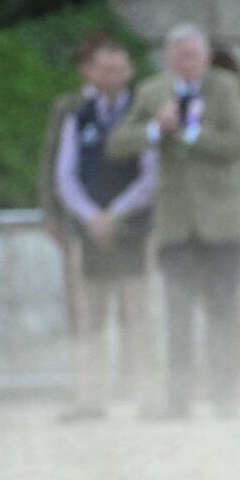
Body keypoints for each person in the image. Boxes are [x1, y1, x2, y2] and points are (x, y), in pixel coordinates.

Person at [110, 24, 240, 418]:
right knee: (177, 315)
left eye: (195, 55)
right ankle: (179, 399)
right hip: (175, 222)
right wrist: (157, 128)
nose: (188, 62)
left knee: (223, 311)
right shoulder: (152, 92)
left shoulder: (224, 88)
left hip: (222, 220)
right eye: (181, 55)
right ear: (170, 58)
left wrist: (190, 135)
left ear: (206, 57)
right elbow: (118, 143)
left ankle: (226, 396)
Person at [38, 32, 160, 420]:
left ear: (130, 71)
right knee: (88, 318)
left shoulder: (144, 111)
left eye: (119, 69)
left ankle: (147, 395)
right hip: (88, 231)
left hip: (134, 229)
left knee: (140, 316)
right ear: (91, 72)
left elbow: (151, 174)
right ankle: (90, 398)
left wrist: (116, 214)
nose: (112, 76)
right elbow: (62, 173)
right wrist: (89, 216)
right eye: (104, 69)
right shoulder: (75, 113)